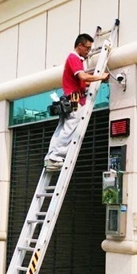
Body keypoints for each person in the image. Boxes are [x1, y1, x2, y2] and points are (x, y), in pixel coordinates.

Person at [44, 33, 109, 171]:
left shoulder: (74, 59)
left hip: (69, 97)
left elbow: (81, 82)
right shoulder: (74, 58)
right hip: (74, 98)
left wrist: (99, 80)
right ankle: (56, 156)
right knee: (71, 126)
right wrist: (100, 76)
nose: (88, 51)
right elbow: (83, 76)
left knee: (62, 128)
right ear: (80, 45)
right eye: (87, 48)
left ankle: (51, 156)